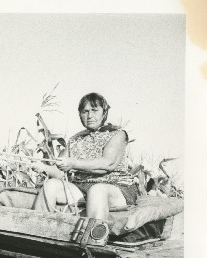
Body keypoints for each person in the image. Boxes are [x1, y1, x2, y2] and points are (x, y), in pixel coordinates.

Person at [33, 92, 138, 220]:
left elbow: (108, 164)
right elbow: (60, 172)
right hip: (81, 188)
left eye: (94, 110)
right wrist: (43, 167)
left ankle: (94, 238)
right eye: (85, 111)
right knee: (50, 186)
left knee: (97, 190)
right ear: (80, 114)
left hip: (116, 188)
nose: (89, 116)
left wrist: (72, 163)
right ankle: (37, 228)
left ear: (104, 113)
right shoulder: (75, 140)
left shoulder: (117, 134)